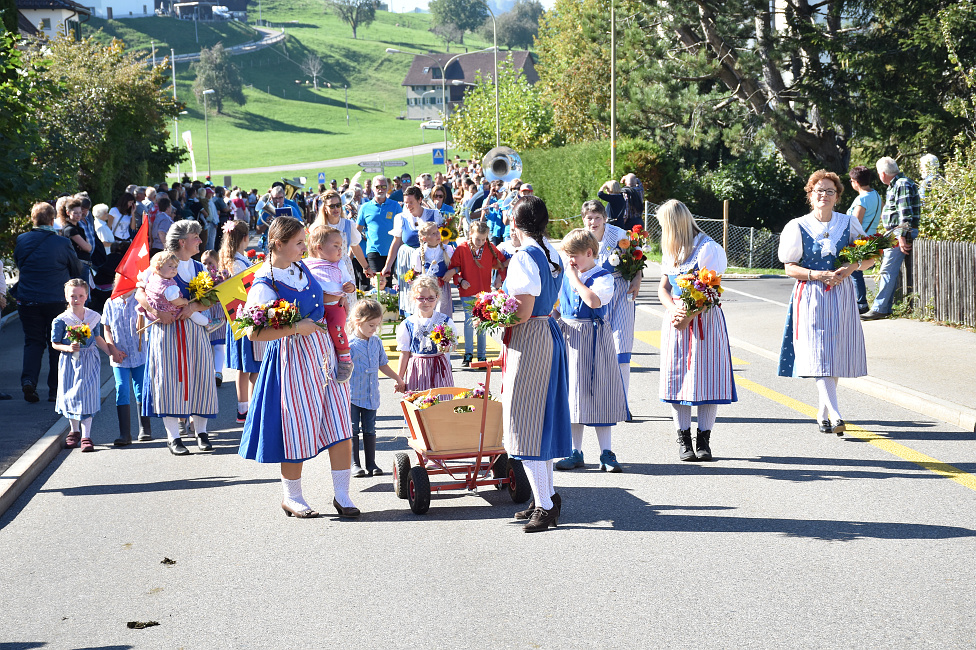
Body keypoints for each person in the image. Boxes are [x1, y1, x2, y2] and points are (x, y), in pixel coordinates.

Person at [238, 217, 359, 519]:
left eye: (305, 241)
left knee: (340, 422)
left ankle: (343, 495)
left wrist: (338, 297)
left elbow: (316, 300)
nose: (305, 248)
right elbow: (253, 333)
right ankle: (292, 497)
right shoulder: (264, 283)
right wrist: (296, 328)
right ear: (279, 244)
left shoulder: (301, 268)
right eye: (299, 243)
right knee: (297, 427)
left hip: (323, 353)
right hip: (291, 360)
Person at [778, 170, 875, 435]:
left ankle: (822, 414)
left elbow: (868, 258)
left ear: (838, 196)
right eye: (819, 190)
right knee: (819, 353)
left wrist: (848, 267)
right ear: (810, 195)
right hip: (811, 295)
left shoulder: (847, 223)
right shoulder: (797, 226)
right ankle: (836, 414)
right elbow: (789, 267)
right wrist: (815, 274)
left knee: (834, 354)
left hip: (841, 295)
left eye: (829, 191)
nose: (824, 195)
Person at [501, 196, 571, 533]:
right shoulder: (551, 252)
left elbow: (523, 310)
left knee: (525, 422)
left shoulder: (523, 257)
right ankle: (547, 497)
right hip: (548, 333)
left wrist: (495, 316)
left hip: (530, 337)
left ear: (516, 223)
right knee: (539, 421)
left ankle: (545, 505)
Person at [657, 200, 737, 461]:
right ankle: (684, 439)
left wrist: (689, 316)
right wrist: (673, 310)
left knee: (706, 377)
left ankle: (704, 439)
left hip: (703, 318)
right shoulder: (672, 250)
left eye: (664, 225)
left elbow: (711, 291)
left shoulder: (708, 248)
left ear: (674, 224)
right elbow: (664, 288)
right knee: (678, 377)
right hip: (677, 318)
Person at [135, 220, 218, 456]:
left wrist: (193, 308)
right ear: (182, 241)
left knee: (201, 378)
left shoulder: (200, 268)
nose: (201, 241)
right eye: (196, 237)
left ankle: (201, 432)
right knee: (169, 381)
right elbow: (139, 292)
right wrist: (154, 311)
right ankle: (173, 437)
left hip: (195, 333)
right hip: (167, 331)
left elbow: (212, 298)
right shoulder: (159, 266)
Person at [552, 229, 628, 472]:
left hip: (594, 337)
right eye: (568, 256)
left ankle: (606, 452)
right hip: (569, 336)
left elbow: (594, 302)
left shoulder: (602, 276)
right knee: (573, 394)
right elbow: (559, 305)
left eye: (574, 256)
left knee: (598, 392)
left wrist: (574, 279)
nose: (570, 261)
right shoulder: (567, 274)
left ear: (589, 252)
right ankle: (576, 451)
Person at [15, 202, 85, 403]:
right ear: (53, 219)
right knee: (57, 343)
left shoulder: (22, 240)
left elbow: (20, 263)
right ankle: (55, 390)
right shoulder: (62, 243)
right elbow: (77, 269)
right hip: (55, 299)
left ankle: (29, 381)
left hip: (27, 299)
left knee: (33, 342)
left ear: (32, 219)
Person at [581, 199, 640, 401]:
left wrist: (637, 278)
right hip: (593, 295)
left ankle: (622, 402)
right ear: (583, 219)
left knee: (621, 349)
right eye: (589, 218)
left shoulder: (619, 235)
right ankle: (598, 401)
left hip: (620, 292)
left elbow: (636, 257)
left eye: (598, 217)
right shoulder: (580, 238)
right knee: (594, 349)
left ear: (605, 219)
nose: (593, 222)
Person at [51, 279, 118, 451]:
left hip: (89, 359)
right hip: (70, 361)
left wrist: (111, 352)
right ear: (66, 296)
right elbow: (55, 343)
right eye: (73, 296)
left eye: (80, 295)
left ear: (86, 296)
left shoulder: (93, 317)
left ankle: (87, 435)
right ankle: (74, 431)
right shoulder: (61, 320)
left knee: (87, 395)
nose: (76, 299)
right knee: (71, 394)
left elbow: (97, 338)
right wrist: (67, 347)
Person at [348, 299, 405, 477]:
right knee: (353, 429)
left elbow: (383, 364)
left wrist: (397, 378)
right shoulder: (350, 345)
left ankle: (371, 463)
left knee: (370, 428)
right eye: (371, 325)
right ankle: (354, 464)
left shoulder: (376, 342)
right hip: (352, 395)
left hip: (371, 395)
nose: (374, 329)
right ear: (358, 322)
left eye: (377, 325)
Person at [862, 157, 921, 321]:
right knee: (888, 269)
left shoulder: (901, 184)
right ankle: (884, 307)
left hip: (899, 233)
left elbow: (906, 213)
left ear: (882, 173)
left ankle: (880, 308)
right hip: (895, 232)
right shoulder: (896, 184)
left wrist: (902, 236)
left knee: (887, 269)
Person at [102, 278, 153, 445]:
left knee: (141, 390)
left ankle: (145, 429)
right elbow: (107, 329)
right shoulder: (110, 302)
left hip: (139, 354)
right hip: (119, 357)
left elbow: (149, 323)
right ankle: (125, 434)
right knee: (122, 389)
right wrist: (112, 350)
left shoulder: (139, 300)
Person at [448, 221, 505, 366]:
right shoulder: (462, 248)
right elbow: (453, 269)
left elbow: (501, 263)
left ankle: (481, 356)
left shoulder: (489, 248)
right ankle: (468, 354)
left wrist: (500, 278)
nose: (480, 242)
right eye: (477, 239)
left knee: (482, 324)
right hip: (467, 292)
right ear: (470, 234)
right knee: (469, 323)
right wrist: (460, 281)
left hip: (483, 294)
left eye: (483, 239)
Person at [305, 225, 356, 383]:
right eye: (336, 246)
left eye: (341, 246)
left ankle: (345, 359)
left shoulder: (339, 264)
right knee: (315, 333)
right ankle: (315, 361)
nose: (340, 250)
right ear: (319, 247)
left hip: (335, 306)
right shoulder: (306, 264)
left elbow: (349, 281)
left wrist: (350, 287)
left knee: (337, 330)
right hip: (314, 307)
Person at [384, 186, 443, 315]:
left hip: (429, 258)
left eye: (411, 202)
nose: (408, 205)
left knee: (429, 293)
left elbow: (443, 238)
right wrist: (387, 266)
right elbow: (396, 242)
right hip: (408, 259)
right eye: (406, 202)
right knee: (412, 294)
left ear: (420, 200)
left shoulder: (434, 215)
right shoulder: (401, 217)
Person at [395, 276, 455, 392]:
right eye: (421, 298)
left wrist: (449, 347)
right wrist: (399, 378)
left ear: (437, 297)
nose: (425, 302)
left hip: (439, 368)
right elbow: (405, 353)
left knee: (441, 402)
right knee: (419, 403)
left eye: (430, 298)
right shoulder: (408, 323)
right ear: (414, 298)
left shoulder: (445, 321)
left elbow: (453, 344)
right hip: (417, 370)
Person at [311, 189, 372, 294]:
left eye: (338, 205)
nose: (336, 209)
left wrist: (366, 267)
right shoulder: (318, 227)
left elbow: (355, 247)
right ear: (325, 208)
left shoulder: (348, 225)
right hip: (323, 268)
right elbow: (312, 252)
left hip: (344, 267)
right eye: (332, 206)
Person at [846, 166, 883, 314]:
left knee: (853, 269)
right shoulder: (876, 195)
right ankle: (860, 303)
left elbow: (856, 222)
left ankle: (861, 304)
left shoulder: (862, 199)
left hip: (860, 240)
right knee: (856, 271)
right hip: (872, 237)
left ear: (855, 182)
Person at [142, 251, 210, 328]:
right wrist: (184, 301)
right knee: (193, 314)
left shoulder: (153, 278)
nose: (174, 269)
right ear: (158, 268)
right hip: (171, 313)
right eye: (170, 266)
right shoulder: (168, 287)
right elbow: (175, 300)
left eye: (176, 266)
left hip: (154, 315)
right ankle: (208, 323)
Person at [358, 175, 401, 278]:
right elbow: (357, 231)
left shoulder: (395, 206)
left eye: (383, 187)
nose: (381, 190)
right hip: (373, 250)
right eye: (378, 187)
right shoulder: (365, 207)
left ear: (388, 188)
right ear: (373, 188)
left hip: (392, 250)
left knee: (388, 283)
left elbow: (402, 228)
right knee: (377, 281)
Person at [410, 222, 456, 317]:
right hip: (426, 289)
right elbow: (417, 270)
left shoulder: (447, 249)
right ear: (425, 238)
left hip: (442, 287)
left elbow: (456, 265)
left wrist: (452, 272)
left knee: (442, 313)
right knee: (427, 313)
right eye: (433, 233)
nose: (437, 235)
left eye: (437, 232)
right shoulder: (419, 253)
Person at [200, 249, 228, 386]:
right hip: (206, 312)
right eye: (204, 263)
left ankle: (218, 372)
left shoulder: (221, 276)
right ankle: (208, 372)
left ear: (217, 262)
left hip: (218, 312)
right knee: (207, 345)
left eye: (210, 263)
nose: (207, 266)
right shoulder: (200, 278)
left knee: (218, 344)